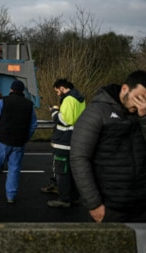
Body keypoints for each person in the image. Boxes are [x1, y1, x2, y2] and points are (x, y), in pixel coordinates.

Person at [70, 70, 146, 223]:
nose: (141, 104)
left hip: (142, 206)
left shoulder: (143, 115)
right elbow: (79, 158)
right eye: (138, 97)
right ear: (125, 89)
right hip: (109, 206)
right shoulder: (96, 112)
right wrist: (94, 205)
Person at [0, 80, 36, 203]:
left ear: (11, 90)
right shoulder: (29, 104)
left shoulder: (4, 101)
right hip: (19, 142)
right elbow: (32, 125)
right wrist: (26, 138)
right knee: (14, 169)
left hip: (2, 140)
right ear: (22, 91)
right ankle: (11, 196)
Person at [47, 79, 86, 208]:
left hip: (63, 141)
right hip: (75, 140)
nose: (58, 94)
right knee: (72, 172)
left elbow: (65, 120)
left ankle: (64, 199)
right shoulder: (80, 99)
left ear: (62, 88)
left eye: (57, 91)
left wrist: (54, 112)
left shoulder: (68, 99)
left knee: (62, 172)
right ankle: (74, 197)